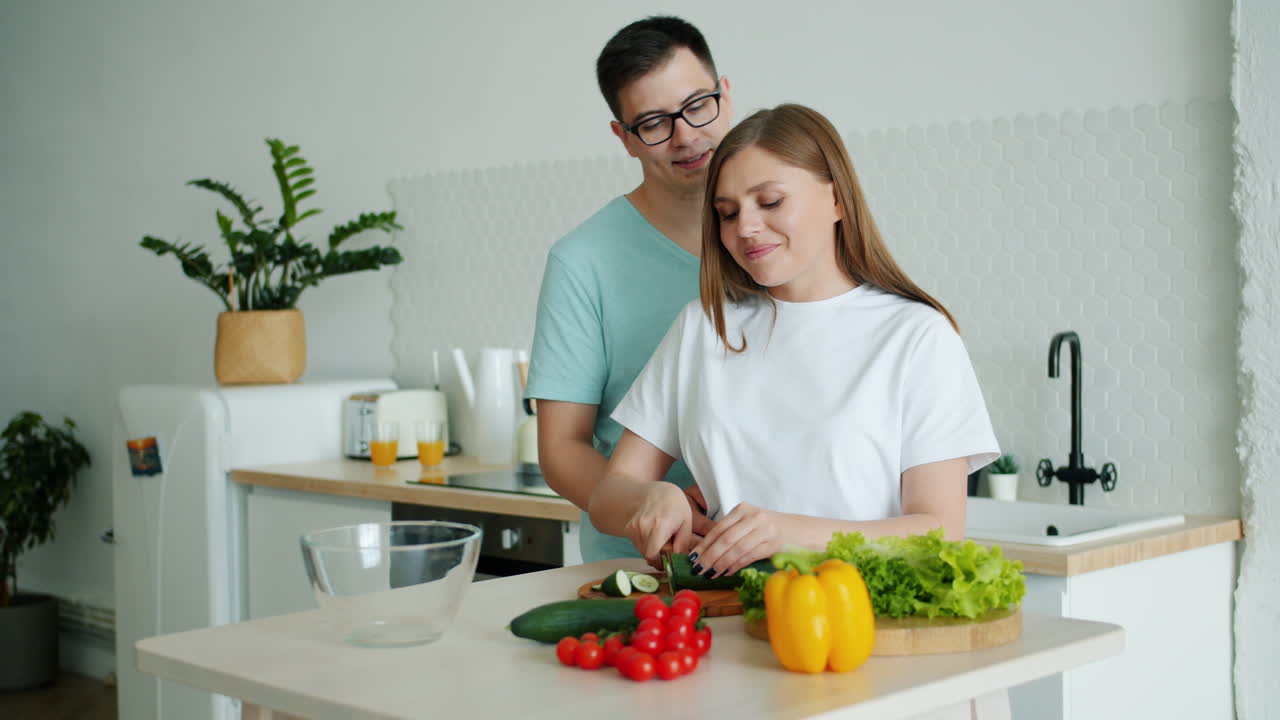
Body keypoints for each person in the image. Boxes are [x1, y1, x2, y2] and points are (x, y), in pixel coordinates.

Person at [588, 104, 1000, 574]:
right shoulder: (704, 327)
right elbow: (607, 496)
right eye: (727, 213)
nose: (744, 228)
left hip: (859, 624)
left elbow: (940, 531)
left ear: (838, 199)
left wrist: (790, 534)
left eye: (770, 202)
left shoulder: (917, 336)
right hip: (726, 615)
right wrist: (651, 496)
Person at [526, 16, 735, 563]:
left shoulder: (779, 238)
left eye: (697, 106)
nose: (686, 135)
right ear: (623, 138)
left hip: (776, 557)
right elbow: (561, 447)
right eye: (654, 123)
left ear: (725, 96)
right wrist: (648, 501)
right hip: (640, 569)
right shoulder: (582, 261)